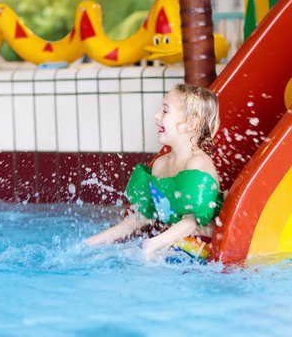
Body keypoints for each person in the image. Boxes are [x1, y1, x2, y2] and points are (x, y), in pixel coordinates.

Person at [85, 83, 223, 260]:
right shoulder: (160, 164)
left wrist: (153, 244)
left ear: (191, 123)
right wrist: (96, 241)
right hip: (174, 242)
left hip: (203, 244)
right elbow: (141, 217)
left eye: (165, 111)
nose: (156, 116)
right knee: (120, 256)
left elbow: (189, 223)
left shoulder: (198, 163)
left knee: (143, 258)